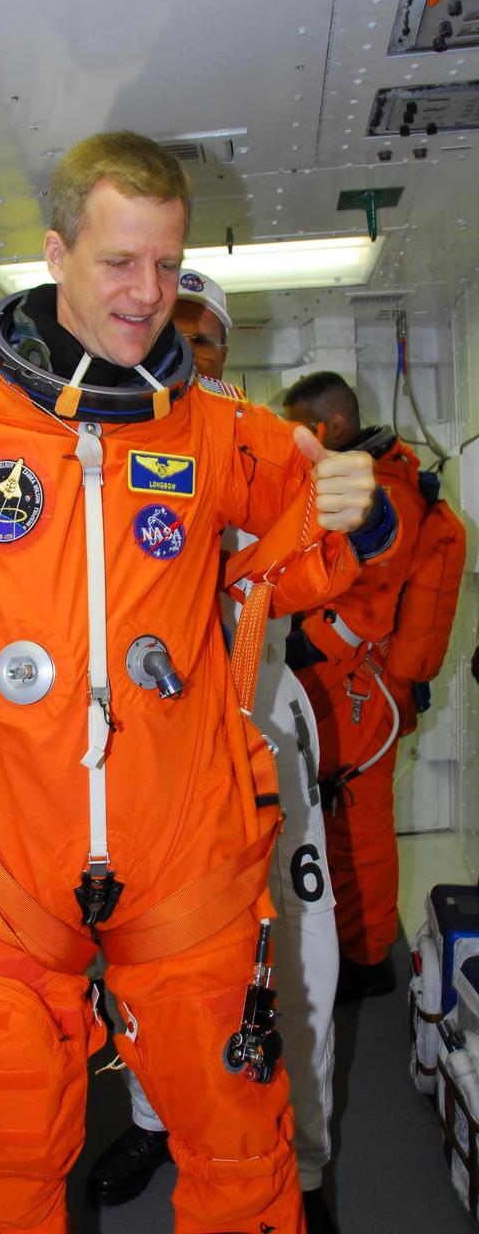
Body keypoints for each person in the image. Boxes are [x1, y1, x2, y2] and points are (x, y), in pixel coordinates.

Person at [0, 131, 389, 1234]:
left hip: (183, 852)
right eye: (118, 262)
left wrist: (358, 504)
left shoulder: (212, 428)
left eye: (167, 263)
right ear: (55, 252)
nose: (147, 293)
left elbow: (296, 551)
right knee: (5, 1170)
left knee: (245, 1153)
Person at [85, 273, 340, 1234]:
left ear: (227, 351)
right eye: (172, 328)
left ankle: (303, 1174)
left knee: (292, 957)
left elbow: (342, 524)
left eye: (207, 335)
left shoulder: (252, 441)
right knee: (155, 954)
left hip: (258, 730)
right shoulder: (111, 439)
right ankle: (160, 1121)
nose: (190, 348)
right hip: (155, 750)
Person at [283, 372, 463, 1005]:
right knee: (344, 819)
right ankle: (355, 943)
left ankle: (366, 959)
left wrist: (300, 647)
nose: (292, 440)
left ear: (329, 426)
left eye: (298, 426)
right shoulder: (380, 477)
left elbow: (368, 606)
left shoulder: (385, 494)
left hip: (362, 688)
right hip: (359, 684)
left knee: (360, 825)